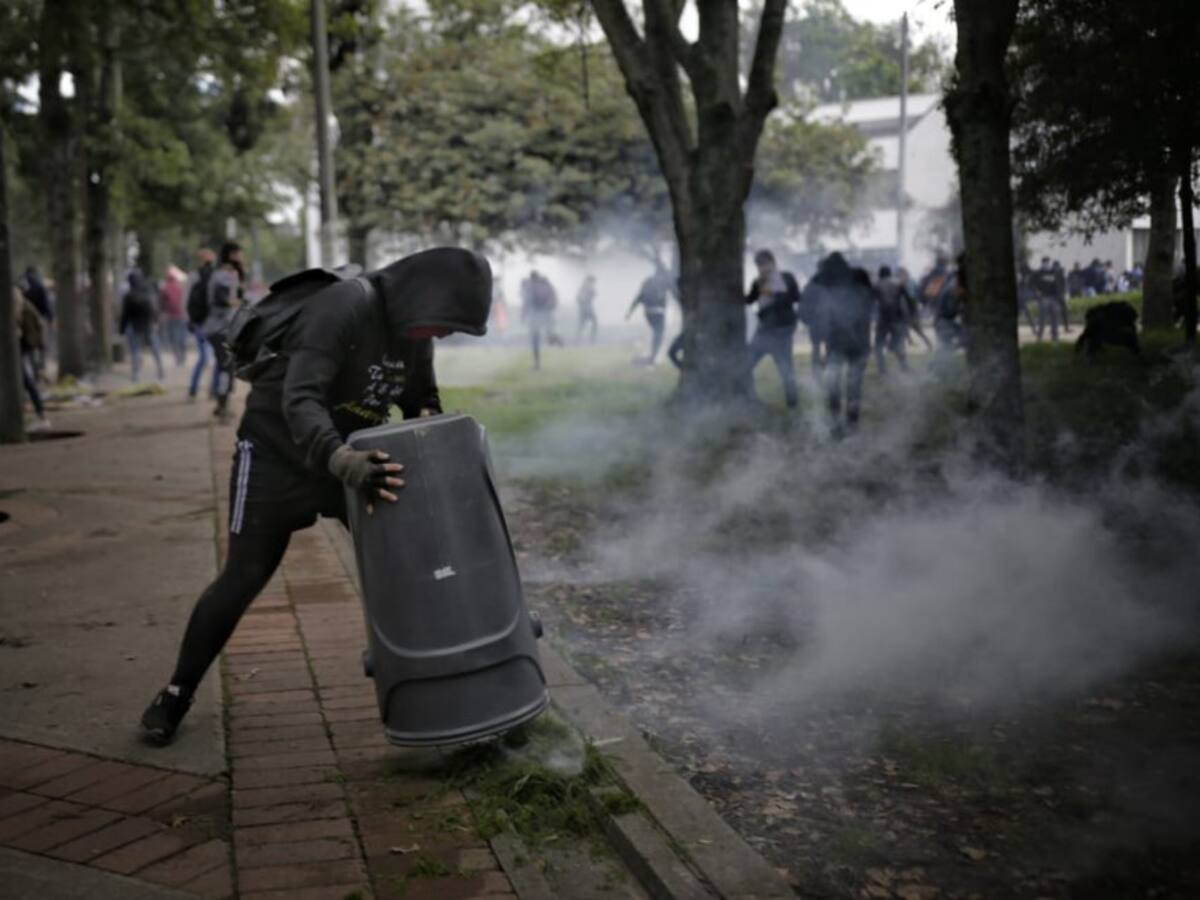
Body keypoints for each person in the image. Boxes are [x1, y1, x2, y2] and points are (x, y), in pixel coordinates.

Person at [140, 248, 493, 744]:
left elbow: (420, 399)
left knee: (405, 568)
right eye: (443, 325)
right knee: (243, 576)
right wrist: (341, 459)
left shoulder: (415, 331)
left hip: (350, 462)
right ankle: (176, 693)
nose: (440, 336)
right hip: (274, 455)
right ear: (422, 296)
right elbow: (299, 398)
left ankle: (443, 686)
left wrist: (430, 425)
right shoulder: (345, 305)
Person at [817, 256, 874, 436]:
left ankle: (847, 425)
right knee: (840, 384)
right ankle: (841, 425)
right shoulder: (835, 290)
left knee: (850, 385)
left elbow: (862, 314)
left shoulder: (858, 289)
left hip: (854, 345)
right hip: (843, 345)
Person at [744, 249, 801, 408]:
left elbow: (796, 297)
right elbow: (749, 299)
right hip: (763, 332)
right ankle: (750, 399)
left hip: (781, 332)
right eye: (759, 265)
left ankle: (792, 405)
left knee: (786, 371)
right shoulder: (758, 282)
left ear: (772, 262)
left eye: (765, 264)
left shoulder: (786, 277)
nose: (763, 268)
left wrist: (777, 290)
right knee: (745, 364)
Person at [204, 242, 245, 420]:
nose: (241, 257)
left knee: (226, 367)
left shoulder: (227, 274)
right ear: (231, 255)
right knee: (225, 367)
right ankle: (221, 405)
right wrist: (237, 303)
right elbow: (221, 299)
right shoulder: (223, 275)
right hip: (219, 328)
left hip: (222, 328)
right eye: (238, 254)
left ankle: (222, 404)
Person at [874, 265, 928, 375]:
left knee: (878, 345)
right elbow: (909, 299)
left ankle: (882, 369)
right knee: (899, 343)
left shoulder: (876, 285)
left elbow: (870, 301)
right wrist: (912, 313)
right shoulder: (898, 284)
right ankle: (904, 366)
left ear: (880, 274)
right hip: (896, 317)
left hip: (883, 318)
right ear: (890, 273)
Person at [119, 269, 165, 383]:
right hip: (149, 324)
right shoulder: (148, 291)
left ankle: (136, 374)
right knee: (155, 349)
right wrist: (156, 321)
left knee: (135, 350)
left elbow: (125, 314)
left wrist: (122, 328)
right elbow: (154, 308)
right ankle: (160, 369)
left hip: (135, 326)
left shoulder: (129, 296)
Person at [15, 288, 50, 431]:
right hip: (25, 344)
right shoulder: (17, 296)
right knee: (25, 379)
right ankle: (37, 414)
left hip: (21, 344)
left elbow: (15, 322)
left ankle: (40, 416)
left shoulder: (12, 296)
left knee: (26, 379)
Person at [626, 266, 673, 366]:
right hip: (659, 312)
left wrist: (630, 312)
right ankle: (652, 357)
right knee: (659, 334)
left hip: (648, 312)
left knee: (657, 333)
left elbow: (639, 297)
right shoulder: (664, 281)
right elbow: (674, 293)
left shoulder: (647, 281)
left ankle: (651, 356)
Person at [187, 249, 217, 401]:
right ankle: (199, 389)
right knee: (209, 357)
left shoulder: (196, 276)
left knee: (207, 357)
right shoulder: (209, 276)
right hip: (206, 322)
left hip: (204, 322)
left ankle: (203, 389)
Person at [520, 270, 562, 370]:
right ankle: (557, 340)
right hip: (547, 314)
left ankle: (537, 364)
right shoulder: (546, 285)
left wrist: (523, 315)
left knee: (535, 340)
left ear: (531, 277)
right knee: (549, 336)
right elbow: (554, 299)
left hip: (535, 315)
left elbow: (527, 302)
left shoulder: (531, 286)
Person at [19, 265, 53, 382]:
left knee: (30, 348)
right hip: (39, 320)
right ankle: (40, 370)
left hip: (25, 323)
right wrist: (50, 318)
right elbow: (46, 304)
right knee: (40, 346)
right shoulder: (39, 286)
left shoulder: (22, 286)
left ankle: (35, 373)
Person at [159, 265, 189, 367]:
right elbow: (185, 301)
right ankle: (183, 356)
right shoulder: (180, 287)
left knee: (174, 338)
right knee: (182, 336)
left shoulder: (164, 288)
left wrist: (163, 313)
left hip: (170, 316)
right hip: (182, 314)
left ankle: (178, 358)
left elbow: (162, 303)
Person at [1032, 256, 1064, 342]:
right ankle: (1040, 336)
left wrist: (1059, 296)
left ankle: (1055, 337)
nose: (1046, 264)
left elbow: (1060, 284)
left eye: (1047, 262)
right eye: (1044, 262)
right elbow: (1033, 285)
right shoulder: (1038, 273)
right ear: (1042, 263)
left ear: (1049, 263)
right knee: (1042, 318)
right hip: (1043, 297)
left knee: (1055, 317)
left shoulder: (1055, 272)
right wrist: (1036, 294)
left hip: (1054, 298)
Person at [576, 274, 598, 344]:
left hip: (586, 309)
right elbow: (580, 298)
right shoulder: (585, 287)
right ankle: (590, 339)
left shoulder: (586, 287)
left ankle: (579, 339)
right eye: (592, 281)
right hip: (586, 309)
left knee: (582, 325)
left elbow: (593, 295)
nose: (593, 283)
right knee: (592, 323)